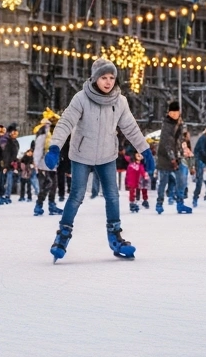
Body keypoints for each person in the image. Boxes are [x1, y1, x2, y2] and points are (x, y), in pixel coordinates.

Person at [43, 59, 153, 262]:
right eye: (104, 77)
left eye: (112, 77)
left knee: (112, 196)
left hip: (106, 156)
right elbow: (66, 122)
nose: (108, 82)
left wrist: (145, 150)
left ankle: (115, 237)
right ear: (95, 78)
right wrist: (55, 146)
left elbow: (130, 128)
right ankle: (62, 236)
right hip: (82, 154)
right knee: (76, 195)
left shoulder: (120, 101)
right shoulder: (81, 98)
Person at [155, 101, 192, 214]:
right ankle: (159, 203)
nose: (175, 115)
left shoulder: (181, 124)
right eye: (173, 112)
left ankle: (180, 203)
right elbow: (167, 143)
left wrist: (186, 151)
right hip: (165, 157)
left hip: (178, 156)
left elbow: (182, 140)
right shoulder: (166, 125)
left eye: (177, 112)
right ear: (169, 113)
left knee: (181, 179)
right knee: (163, 181)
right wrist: (172, 158)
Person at [32, 119, 62, 216]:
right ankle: (39, 205)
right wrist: (36, 163)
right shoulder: (42, 135)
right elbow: (38, 150)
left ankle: (52, 205)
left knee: (53, 185)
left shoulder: (53, 135)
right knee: (47, 185)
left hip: (52, 164)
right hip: (43, 164)